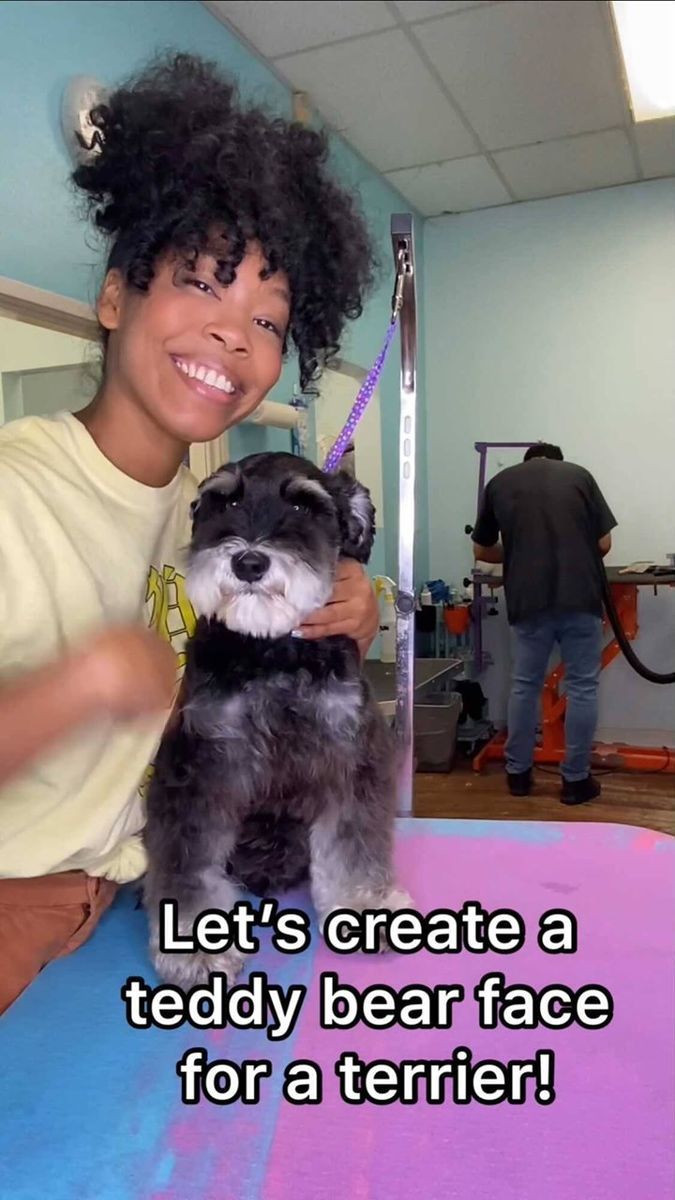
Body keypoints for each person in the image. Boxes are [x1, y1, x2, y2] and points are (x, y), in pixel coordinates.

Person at [0, 53, 381, 1013]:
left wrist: (344, 611)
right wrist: (75, 687)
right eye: (201, 285)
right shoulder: (12, 493)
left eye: (266, 317)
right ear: (116, 295)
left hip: (137, 895)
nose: (233, 336)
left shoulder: (213, 509)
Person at [471, 442, 616, 805]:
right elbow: (604, 543)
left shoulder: (501, 482)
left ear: (528, 460)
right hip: (579, 596)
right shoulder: (579, 476)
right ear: (557, 460)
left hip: (528, 599)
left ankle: (518, 775)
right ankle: (575, 781)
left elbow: (481, 550)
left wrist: (519, 548)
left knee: (524, 685)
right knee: (582, 687)